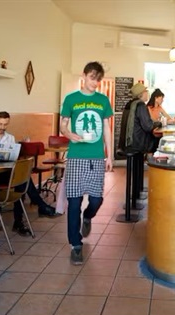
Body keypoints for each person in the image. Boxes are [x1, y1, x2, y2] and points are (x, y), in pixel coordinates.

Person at [0, 111, 59, 237]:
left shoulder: (10, 138)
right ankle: (39, 208)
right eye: (0, 124)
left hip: (5, 173)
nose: (2, 127)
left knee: (21, 180)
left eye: (5, 124)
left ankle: (20, 221)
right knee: (22, 181)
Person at [60, 61, 113, 265]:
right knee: (74, 202)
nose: (95, 82)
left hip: (96, 157)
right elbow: (63, 124)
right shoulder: (71, 99)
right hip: (76, 156)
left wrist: (109, 156)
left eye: (98, 79)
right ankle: (76, 245)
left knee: (96, 200)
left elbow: (107, 128)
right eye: (92, 78)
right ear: (84, 76)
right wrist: (68, 133)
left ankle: (88, 216)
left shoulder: (102, 100)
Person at [118, 83, 162, 155]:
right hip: (137, 143)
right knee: (159, 141)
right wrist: (159, 124)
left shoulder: (129, 104)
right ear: (141, 94)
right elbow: (148, 126)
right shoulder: (140, 105)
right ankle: (153, 164)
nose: (147, 93)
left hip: (126, 143)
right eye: (146, 91)